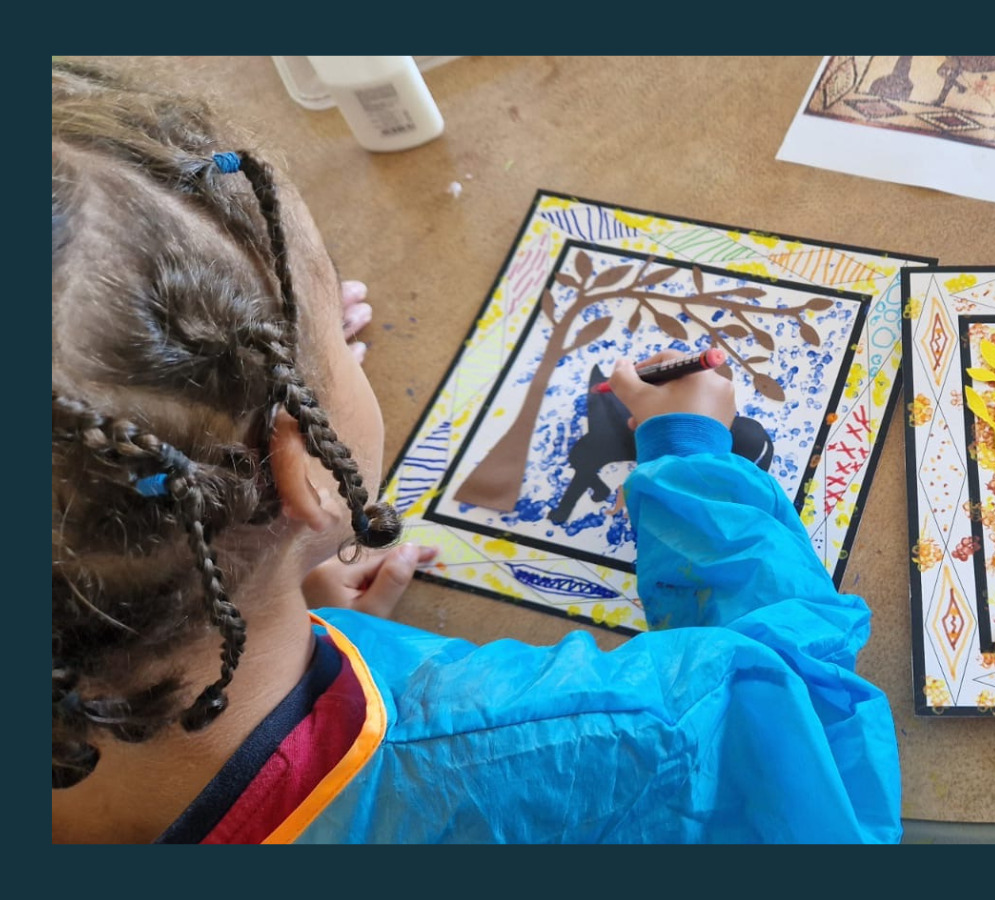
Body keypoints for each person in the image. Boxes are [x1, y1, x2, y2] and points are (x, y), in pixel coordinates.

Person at [51, 60, 901, 844]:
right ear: (303, 463)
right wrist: (694, 460)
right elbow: (809, 725)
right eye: (332, 343)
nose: (344, 343)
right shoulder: (597, 740)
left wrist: (272, 597)